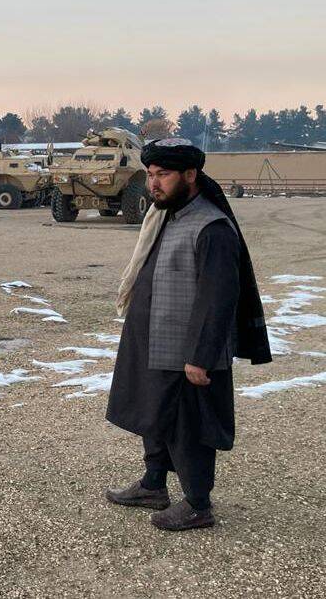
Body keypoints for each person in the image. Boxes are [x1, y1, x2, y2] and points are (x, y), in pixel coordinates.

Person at [105, 137, 270, 531]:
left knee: (188, 427)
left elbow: (218, 300)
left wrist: (201, 356)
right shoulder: (166, 215)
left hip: (186, 353)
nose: (153, 184)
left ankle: (198, 504)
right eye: (150, 175)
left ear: (191, 175)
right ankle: (153, 486)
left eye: (163, 175)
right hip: (154, 342)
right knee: (153, 415)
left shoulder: (212, 228)